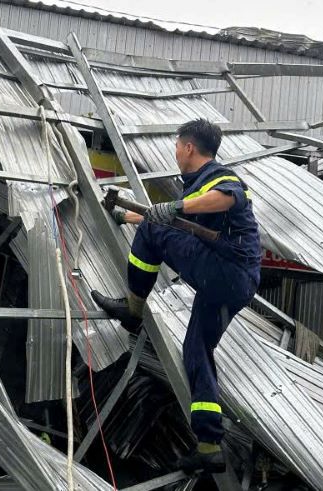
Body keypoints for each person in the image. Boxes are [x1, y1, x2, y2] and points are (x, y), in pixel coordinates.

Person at [91, 118, 261, 474]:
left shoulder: (217, 177)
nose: (175, 153)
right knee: (197, 352)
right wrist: (128, 216)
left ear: (188, 147)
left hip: (225, 271)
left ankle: (133, 308)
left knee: (155, 229)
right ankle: (209, 445)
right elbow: (170, 219)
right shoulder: (196, 189)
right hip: (235, 285)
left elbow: (227, 197)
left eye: (177, 146)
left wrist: (173, 209)